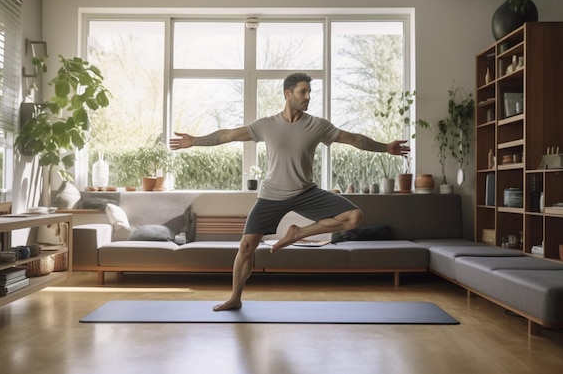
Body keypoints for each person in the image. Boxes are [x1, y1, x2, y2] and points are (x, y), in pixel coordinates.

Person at [170, 72, 409, 311]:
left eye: (309, 93)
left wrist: (385, 148)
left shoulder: (317, 125)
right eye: (303, 92)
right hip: (271, 195)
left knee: (354, 216)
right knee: (245, 247)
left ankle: (296, 234)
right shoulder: (266, 125)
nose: (308, 97)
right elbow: (227, 134)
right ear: (288, 94)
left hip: (306, 192)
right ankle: (235, 298)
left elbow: (354, 139)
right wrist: (195, 141)